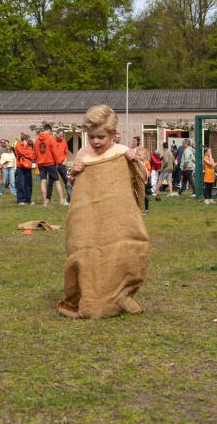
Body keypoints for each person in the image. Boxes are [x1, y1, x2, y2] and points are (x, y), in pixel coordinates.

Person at [57, 105, 148, 319]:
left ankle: (117, 294)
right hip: (89, 216)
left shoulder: (121, 152)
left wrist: (134, 160)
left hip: (115, 217)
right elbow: (73, 183)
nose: (96, 142)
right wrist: (74, 172)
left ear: (113, 135)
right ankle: (88, 294)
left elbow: (141, 177)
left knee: (117, 252)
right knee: (86, 252)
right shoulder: (82, 152)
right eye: (92, 137)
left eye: (101, 137)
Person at [34, 124, 66, 206]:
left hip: (41, 163)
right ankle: (61, 200)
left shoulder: (37, 140)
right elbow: (54, 153)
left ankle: (45, 201)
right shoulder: (51, 139)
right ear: (49, 130)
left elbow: (34, 154)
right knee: (57, 182)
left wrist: (38, 161)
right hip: (50, 163)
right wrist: (56, 163)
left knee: (43, 182)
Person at [51, 129, 72, 203]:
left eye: (62, 136)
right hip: (53, 164)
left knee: (67, 181)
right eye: (60, 136)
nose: (61, 137)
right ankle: (48, 198)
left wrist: (65, 161)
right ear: (56, 134)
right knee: (51, 182)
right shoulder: (52, 142)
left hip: (62, 164)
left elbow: (66, 153)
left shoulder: (64, 142)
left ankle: (70, 198)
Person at [14, 135, 34, 205]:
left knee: (28, 184)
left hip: (28, 166)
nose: (29, 141)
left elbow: (31, 155)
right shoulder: (18, 145)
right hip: (21, 166)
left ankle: (28, 199)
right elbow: (22, 153)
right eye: (28, 140)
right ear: (25, 139)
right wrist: (26, 153)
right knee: (21, 183)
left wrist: (27, 155)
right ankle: (20, 199)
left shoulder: (29, 147)